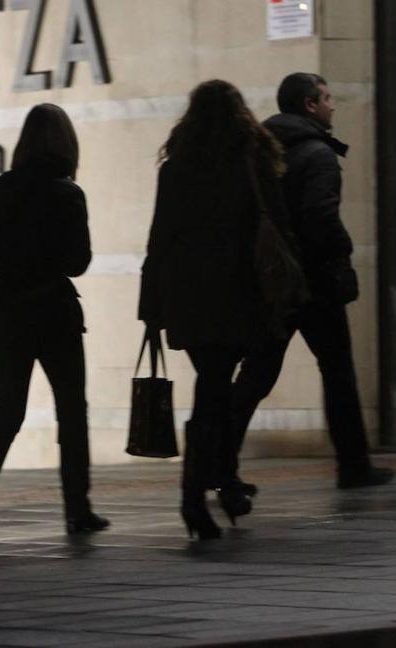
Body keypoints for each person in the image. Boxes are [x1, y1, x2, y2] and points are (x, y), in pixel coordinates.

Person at [229, 72, 393, 492]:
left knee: (257, 374)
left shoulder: (260, 152)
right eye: (327, 97)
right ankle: (353, 466)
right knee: (337, 370)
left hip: (273, 281)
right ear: (309, 105)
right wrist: (342, 248)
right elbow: (321, 218)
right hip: (314, 283)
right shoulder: (318, 154)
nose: (333, 105)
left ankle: (218, 460)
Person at [139, 79, 287, 540]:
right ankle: (204, 493)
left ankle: (213, 489)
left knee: (214, 389)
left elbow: (159, 238)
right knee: (216, 394)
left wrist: (150, 306)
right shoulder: (253, 159)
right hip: (239, 291)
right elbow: (275, 224)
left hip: (188, 295)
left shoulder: (177, 166)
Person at [0, 104, 108, 542]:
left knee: (8, 411)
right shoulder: (67, 193)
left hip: (6, 310)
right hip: (55, 311)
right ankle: (77, 508)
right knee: (71, 410)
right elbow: (78, 262)